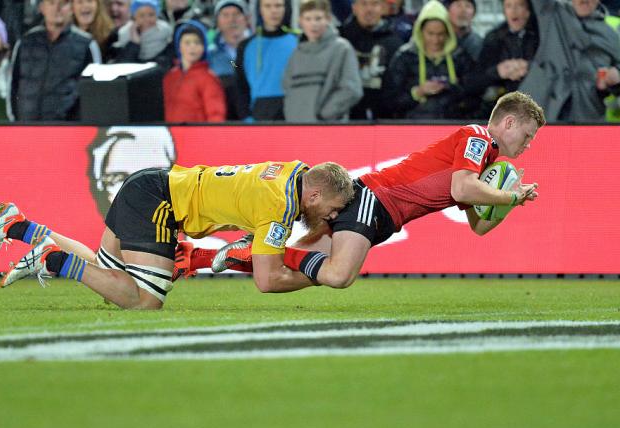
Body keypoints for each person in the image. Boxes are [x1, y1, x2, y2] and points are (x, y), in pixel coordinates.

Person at [202, 92, 545, 290]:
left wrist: (510, 202)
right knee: (338, 276)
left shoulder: (483, 164)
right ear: (509, 122)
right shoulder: (478, 137)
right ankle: (257, 250)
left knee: (295, 271)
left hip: (382, 212)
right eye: (528, 135)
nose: (528, 144)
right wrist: (510, 195)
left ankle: (243, 253)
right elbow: (462, 188)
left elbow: (479, 226)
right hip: (375, 199)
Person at [0, 162, 353, 309]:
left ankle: (17, 227)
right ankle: (52, 259)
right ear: (315, 194)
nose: (331, 218)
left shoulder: (294, 171)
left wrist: (242, 245)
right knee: (144, 301)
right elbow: (267, 280)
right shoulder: (282, 207)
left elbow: (248, 205)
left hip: (151, 183)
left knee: (106, 273)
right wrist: (321, 276)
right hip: (160, 202)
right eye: (333, 209)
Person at [518, 0, 620, 122]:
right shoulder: (551, 12)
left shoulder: (611, 35)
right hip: (543, 113)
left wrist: (615, 76)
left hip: (588, 117)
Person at [382, 0, 476, 119]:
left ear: (448, 33)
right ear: (420, 32)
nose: (436, 40)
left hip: (452, 126)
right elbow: (389, 101)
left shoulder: (460, 57)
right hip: (413, 128)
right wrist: (416, 93)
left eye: (440, 34)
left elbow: (474, 96)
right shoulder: (404, 58)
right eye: (430, 34)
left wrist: (452, 88)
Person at [10, 0, 101, 121]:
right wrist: (14, 121)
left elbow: (95, 90)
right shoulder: (25, 42)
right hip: (26, 127)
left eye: (63, 3)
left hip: (69, 130)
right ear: (42, 8)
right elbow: (12, 84)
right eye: (51, 3)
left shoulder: (87, 44)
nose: (57, 8)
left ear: (72, 8)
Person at [282, 0, 363, 122]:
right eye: (308, 19)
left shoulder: (342, 49)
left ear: (328, 19)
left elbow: (352, 90)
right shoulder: (296, 54)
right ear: (300, 21)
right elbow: (287, 89)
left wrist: (324, 114)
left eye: (318, 18)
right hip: (297, 130)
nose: (313, 24)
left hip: (329, 130)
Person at [465, 0, 539, 119]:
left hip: (536, 104)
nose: (514, 11)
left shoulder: (541, 36)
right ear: (504, 11)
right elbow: (474, 81)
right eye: (509, 6)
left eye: (519, 5)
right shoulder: (493, 38)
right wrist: (498, 72)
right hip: (498, 109)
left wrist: (530, 68)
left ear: (528, 10)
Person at [339, 0, 404, 119]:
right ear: (354, 8)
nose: (369, 9)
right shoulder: (340, 40)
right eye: (364, 4)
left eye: (375, 4)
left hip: (385, 120)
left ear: (384, 8)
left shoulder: (395, 44)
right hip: (345, 118)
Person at [235, 0, 298, 120]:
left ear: (286, 8)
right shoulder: (244, 46)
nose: (273, 11)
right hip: (259, 114)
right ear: (260, 9)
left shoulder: (299, 41)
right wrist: (245, 116)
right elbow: (239, 82)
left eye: (278, 5)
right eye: (267, 6)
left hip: (293, 112)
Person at [162, 20, 227, 122]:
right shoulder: (169, 78)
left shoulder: (208, 79)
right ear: (179, 47)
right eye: (187, 43)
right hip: (170, 136)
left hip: (197, 136)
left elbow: (216, 115)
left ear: (203, 47)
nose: (192, 47)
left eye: (197, 42)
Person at [207, 0, 251, 120]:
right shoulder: (209, 54)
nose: (232, 20)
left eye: (236, 14)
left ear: (247, 19)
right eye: (225, 15)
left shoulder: (257, 47)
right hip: (223, 119)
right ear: (217, 21)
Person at [106, 0, 173, 72]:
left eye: (151, 14)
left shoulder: (165, 32)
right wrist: (134, 43)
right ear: (135, 16)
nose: (147, 19)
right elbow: (121, 65)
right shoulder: (125, 34)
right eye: (142, 15)